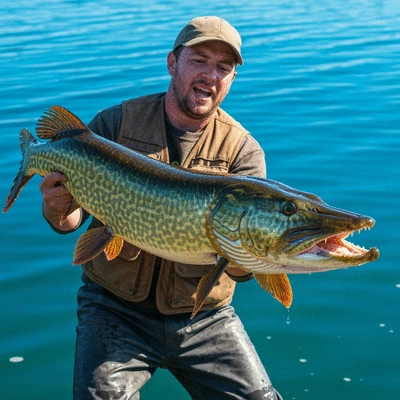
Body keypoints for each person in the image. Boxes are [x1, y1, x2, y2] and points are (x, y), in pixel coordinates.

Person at [40, 16, 283, 400]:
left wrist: (253, 256)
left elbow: (238, 270)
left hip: (203, 318)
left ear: (233, 78)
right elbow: (71, 221)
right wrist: (56, 207)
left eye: (224, 67)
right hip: (114, 309)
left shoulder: (244, 153)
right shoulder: (116, 124)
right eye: (199, 60)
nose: (210, 75)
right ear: (173, 63)